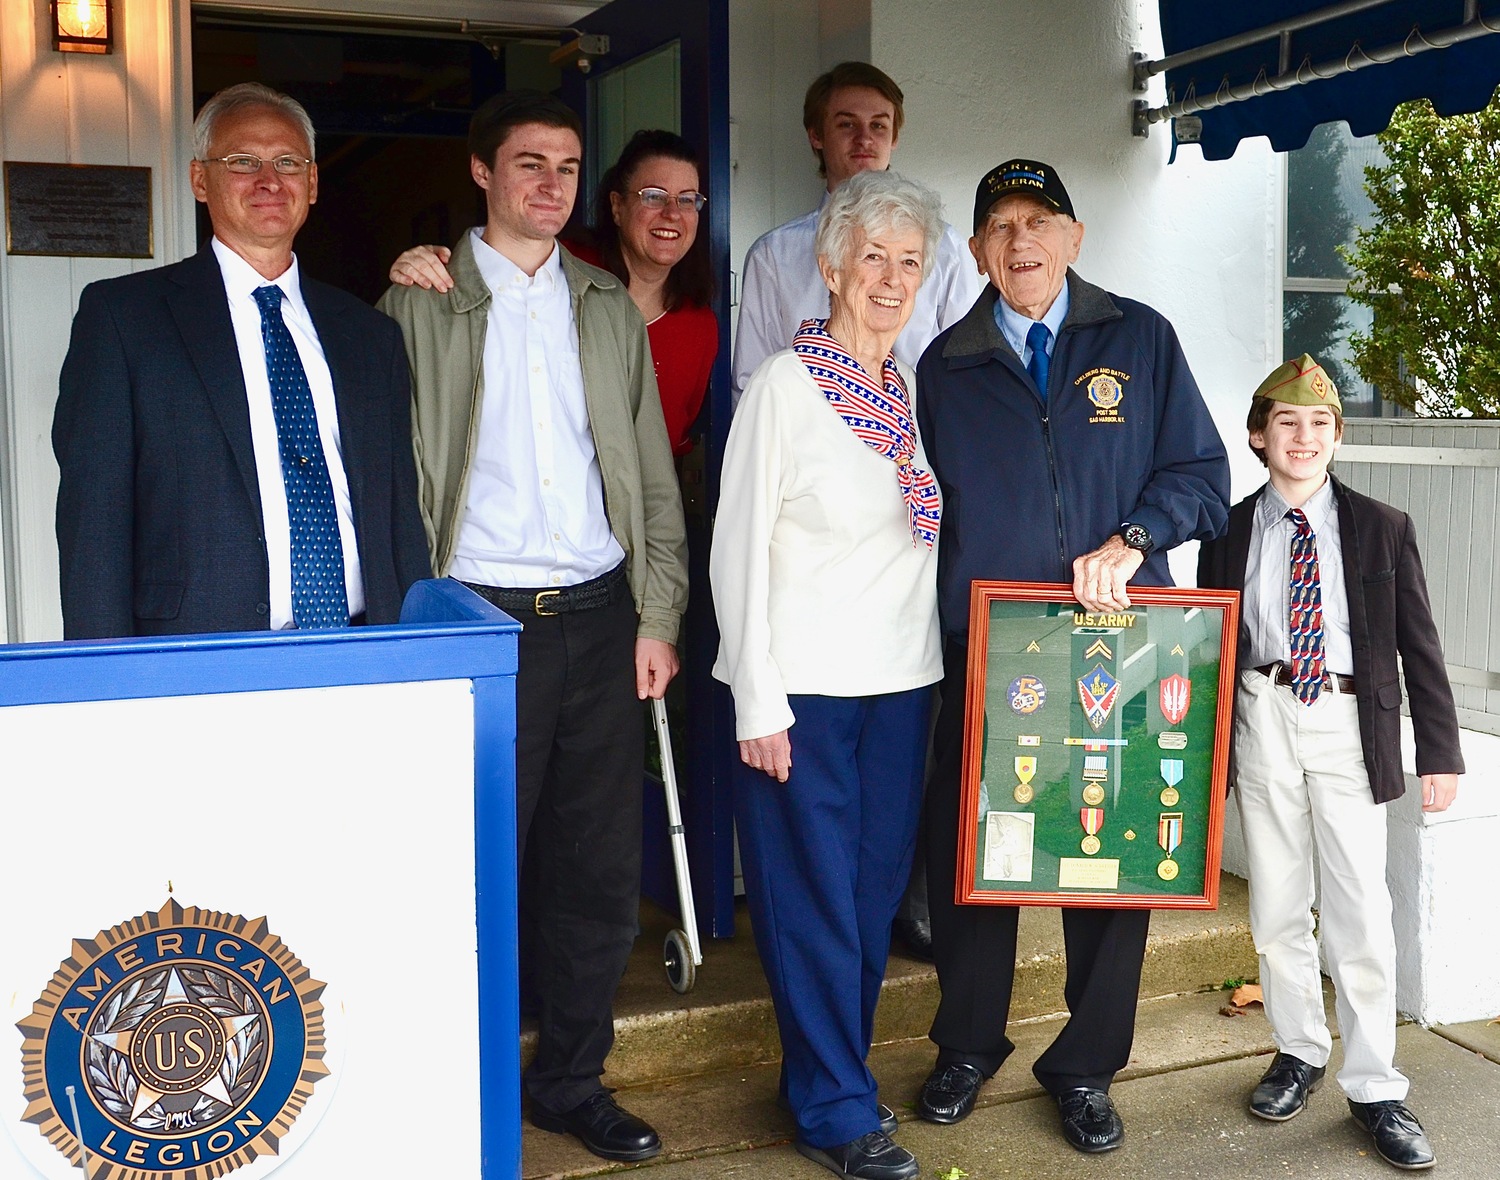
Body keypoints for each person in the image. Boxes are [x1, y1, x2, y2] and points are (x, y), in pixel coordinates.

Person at [375, 91, 687, 1164]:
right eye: (526, 164)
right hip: (475, 622)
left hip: (601, 621)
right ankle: (454, 1074)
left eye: (564, 166)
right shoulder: (419, 297)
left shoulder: (604, 302)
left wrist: (658, 611)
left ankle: (569, 1080)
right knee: (468, 861)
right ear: (481, 173)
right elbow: (388, 474)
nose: (547, 184)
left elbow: (649, 477)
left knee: (595, 869)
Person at [913, 159, 1230, 1152]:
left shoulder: (1140, 338)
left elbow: (1203, 475)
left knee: (1115, 857)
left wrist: (1133, 537)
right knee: (977, 855)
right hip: (995, 646)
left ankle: (1087, 1065)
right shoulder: (944, 366)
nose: (1020, 240)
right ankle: (967, 1042)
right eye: (1000, 224)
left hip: (1127, 642)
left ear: (1075, 236)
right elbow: (919, 514)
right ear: (975, 251)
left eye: (1039, 220)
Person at [711, 169, 946, 1180]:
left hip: (903, 681)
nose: (889, 279)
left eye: (908, 261)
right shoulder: (783, 387)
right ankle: (838, 1106)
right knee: (809, 897)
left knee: (868, 893)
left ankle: (827, 1071)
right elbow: (737, 546)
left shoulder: (911, 389)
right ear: (830, 266)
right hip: (803, 686)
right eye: (872, 259)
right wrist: (755, 695)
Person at [1197, 355, 1462, 1172]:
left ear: (1338, 438)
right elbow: (1210, 640)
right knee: (1278, 903)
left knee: (1359, 908)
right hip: (1261, 713)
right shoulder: (1229, 528)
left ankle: (1376, 1084)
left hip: (1350, 721)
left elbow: (1419, 640)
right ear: (1257, 437)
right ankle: (1300, 1050)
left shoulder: (1383, 525)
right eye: (1286, 424)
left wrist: (1440, 751)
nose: (1303, 438)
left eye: (1319, 425)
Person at [52, 82, 430, 639]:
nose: (269, 181)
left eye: (287, 162)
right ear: (200, 180)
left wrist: (414, 653)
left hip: (362, 644)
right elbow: (94, 523)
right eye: (242, 161)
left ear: (314, 182)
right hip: (196, 657)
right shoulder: (124, 319)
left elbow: (400, 518)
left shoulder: (370, 334)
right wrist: (106, 683)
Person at [389, 129, 717, 458]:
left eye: (688, 199)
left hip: (629, 507)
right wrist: (423, 263)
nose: (672, 213)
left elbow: (671, 446)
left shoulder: (699, 324)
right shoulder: (552, 270)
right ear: (617, 206)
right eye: (654, 196)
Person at [731, 61, 982, 410]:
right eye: (847, 124)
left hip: (916, 442)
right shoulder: (774, 255)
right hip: (807, 446)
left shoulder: (944, 247)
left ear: (894, 137)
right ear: (816, 135)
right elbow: (750, 387)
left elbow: (969, 372)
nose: (864, 139)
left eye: (878, 126)